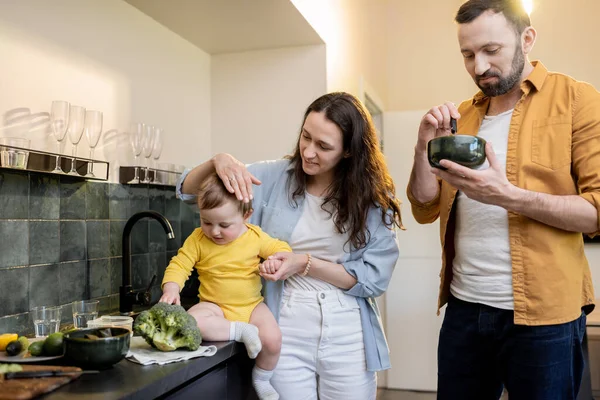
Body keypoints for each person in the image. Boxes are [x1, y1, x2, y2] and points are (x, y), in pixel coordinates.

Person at [407, 0, 600, 399]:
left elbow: (595, 211)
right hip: (464, 310)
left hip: (545, 318)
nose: (479, 67)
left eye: (491, 51)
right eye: (467, 54)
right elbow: (424, 206)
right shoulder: (463, 115)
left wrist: (507, 196)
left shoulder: (578, 101)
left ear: (527, 38)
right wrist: (423, 145)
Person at [176, 92, 403, 400]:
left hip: (347, 327)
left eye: (323, 146)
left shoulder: (372, 200)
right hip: (285, 322)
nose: (309, 152)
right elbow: (188, 191)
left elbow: (373, 279)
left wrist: (305, 263)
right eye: (305, 137)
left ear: (349, 151)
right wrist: (218, 162)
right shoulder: (270, 178)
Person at [160, 173, 292, 400]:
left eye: (224, 224)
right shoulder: (198, 239)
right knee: (192, 322)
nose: (214, 231)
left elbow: (281, 249)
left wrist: (275, 260)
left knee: (273, 339)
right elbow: (180, 264)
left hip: (251, 306)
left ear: (246, 215)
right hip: (213, 306)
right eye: (206, 222)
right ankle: (241, 331)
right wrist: (171, 287)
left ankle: (261, 378)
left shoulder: (255, 237)